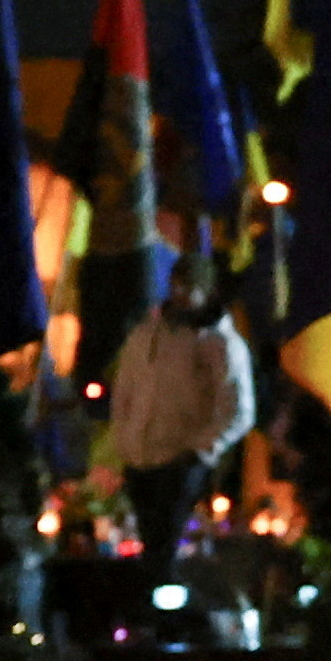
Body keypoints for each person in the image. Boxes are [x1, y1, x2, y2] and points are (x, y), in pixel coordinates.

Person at [100, 246, 254, 579]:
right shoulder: (147, 335)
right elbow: (125, 389)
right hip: (141, 458)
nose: (180, 293)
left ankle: (163, 602)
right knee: (150, 542)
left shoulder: (219, 343)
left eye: (189, 286)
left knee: (166, 542)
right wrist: (126, 440)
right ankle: (152, 604)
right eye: (176, 285)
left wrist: (200, 451)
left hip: (179, 458)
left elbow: (238, 409)